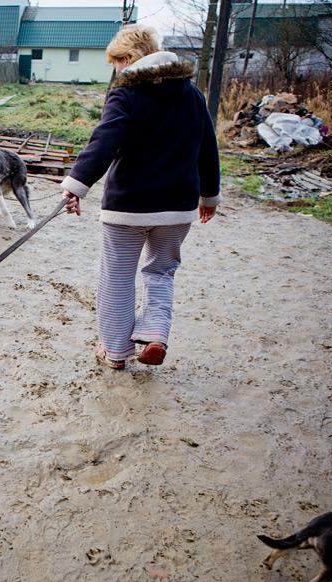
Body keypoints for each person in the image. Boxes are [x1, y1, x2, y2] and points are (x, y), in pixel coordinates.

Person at [61, 25, 220, 370]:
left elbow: (104, 142)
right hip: (178, 208)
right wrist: (209, 196)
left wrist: (76, 186)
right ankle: (154, 336)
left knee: (116, 278)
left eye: (117, 61)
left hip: (128, 207)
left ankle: (116, 352)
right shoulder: (192, 95)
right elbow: (208, 147)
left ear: (131, 58)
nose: (116, 69)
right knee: (161, 272)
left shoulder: (126, 94)